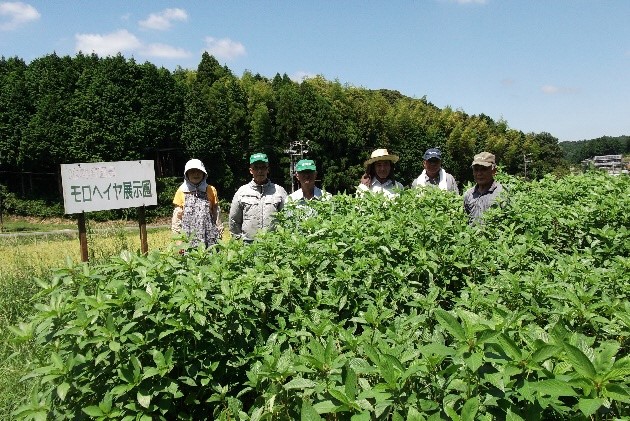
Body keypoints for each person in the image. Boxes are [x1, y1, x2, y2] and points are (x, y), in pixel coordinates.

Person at [229, 152, 288, 242]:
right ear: (250, 170)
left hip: (273, 245)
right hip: (248, 244)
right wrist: (238, 241)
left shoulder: (279, 191)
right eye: (256, 167)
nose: (260, 171)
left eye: (263, 167)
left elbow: (287, 218)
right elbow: (234, 220)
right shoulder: (241, 192)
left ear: (268, 169)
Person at [171, 158, 222, 249]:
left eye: (199, 171)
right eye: (192, 171)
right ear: (187, 174)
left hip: (209, 237)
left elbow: (216, 213)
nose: (196, 174)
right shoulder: (181, 191)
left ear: (204, 174)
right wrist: (179, 242)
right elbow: (177, 219)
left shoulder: (211, 189)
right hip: (188, 238)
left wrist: (219, 232)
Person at [463, 152, 506, 223]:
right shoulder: (468, 194)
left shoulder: (502, 193)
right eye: (476, 170)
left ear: (494, 171)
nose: (479, 173)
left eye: (484, 169)